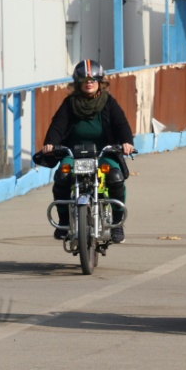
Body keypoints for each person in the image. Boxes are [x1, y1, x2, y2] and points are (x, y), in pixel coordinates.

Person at [40, 59, 135, 243]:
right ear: (78, 83)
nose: (89, 83)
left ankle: (117, 223)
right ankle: (64, 220)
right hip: (73, 154)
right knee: (62, 176)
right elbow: (57, 126)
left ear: (100, 82)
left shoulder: (108, 102)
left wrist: (126, 142)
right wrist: (50, 143)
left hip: (103, 153)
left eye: (93, 80)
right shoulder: (70, 103)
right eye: (84, 80)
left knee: (115, 177)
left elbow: (121, 123)